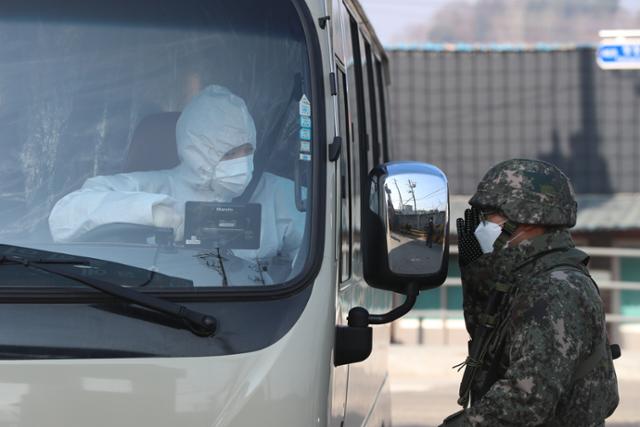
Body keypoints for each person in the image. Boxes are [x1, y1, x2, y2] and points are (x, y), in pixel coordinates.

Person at [440, 159, 619, 426]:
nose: (481, 224)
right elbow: (489, 348)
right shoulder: (527, 275)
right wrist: (477, 272)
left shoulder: (556, 289)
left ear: (528, 219)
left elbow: (526, 399)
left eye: (489, 214)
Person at [49, 84, 304, 266]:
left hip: (253, 313)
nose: (242, 164)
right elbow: (64, 217)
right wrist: (151, 213)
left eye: (247, 151)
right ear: (198, 153)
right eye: (228, 154)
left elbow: (313, 265)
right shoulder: (153, 187)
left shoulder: (279, 195)